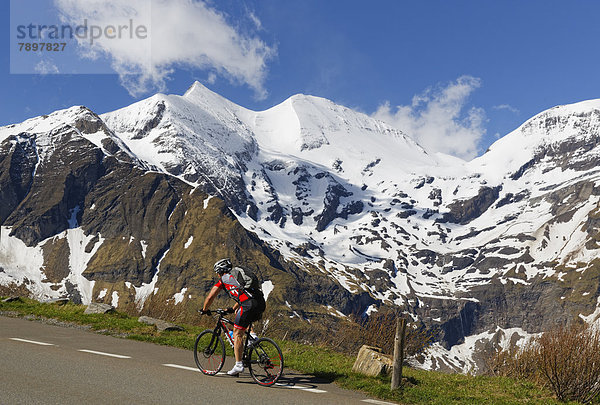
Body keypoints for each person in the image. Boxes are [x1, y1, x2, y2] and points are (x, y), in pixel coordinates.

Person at [202, 258, 266, 376]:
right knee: (243, 322)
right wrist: (233, 308)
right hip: (260, 302)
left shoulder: (223, 280)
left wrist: (204, 309)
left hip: (248, 304)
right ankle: (253, 338)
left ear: (219, 271)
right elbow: (244, 294)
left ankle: (238, 365)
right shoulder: (238, 278)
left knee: (237, 333)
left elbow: (210, 297)